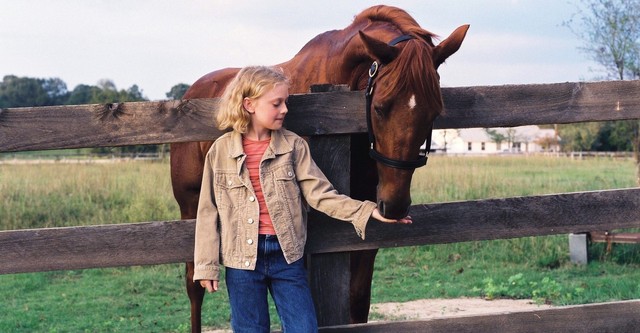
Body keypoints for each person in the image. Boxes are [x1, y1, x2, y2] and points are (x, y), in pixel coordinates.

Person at [193, 65, 411, 333]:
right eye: (277, 103)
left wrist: (366, 211)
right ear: (249, 104)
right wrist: (206, 266)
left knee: (304, 328)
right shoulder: (220, 152)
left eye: (286, 102)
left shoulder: (293, 147)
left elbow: (320, 194)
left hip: (287, 257)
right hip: (241, 263)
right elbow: (207, 212)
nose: (285, 109)